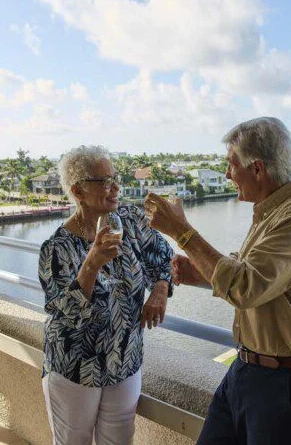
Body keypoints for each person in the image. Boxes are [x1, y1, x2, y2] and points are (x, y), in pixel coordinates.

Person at [145, 117, 291, 445]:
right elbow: (253, 276)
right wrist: (200, 273)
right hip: (247, 369)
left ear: (257, 168)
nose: (228, 174)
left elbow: (246, 286)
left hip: (284, 382)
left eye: (231, 165)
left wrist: (179, 230)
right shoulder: (270, 212)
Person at [39, 145, 174, 445]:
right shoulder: (56, 248)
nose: (116, 187)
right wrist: (92, 262)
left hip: (125, 362)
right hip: (74, 368)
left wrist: (160, 291)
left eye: (116, 178)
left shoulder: (130, 220)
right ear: (78, 191)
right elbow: (65, 315)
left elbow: (165, 259)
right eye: (104, 181)